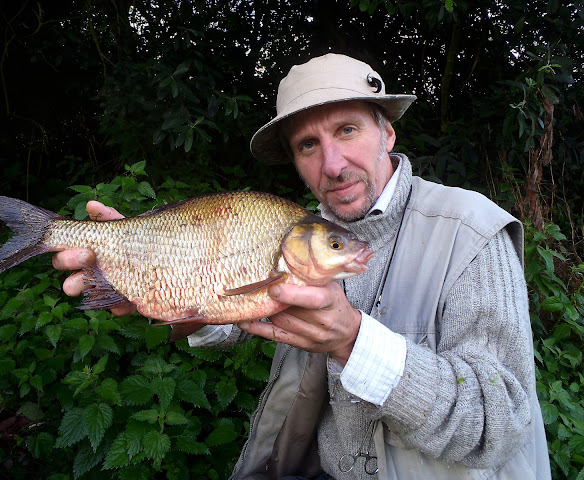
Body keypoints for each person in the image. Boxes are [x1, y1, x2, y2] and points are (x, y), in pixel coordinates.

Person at [53, 54, 551, 479]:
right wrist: (162, 274)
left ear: (388, 133)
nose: (332, 164)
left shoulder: (472, 232)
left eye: (347, 130)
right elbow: (252, 316)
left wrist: (354, 341)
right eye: (308, 145)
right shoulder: (299, 229)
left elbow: (501, 425)